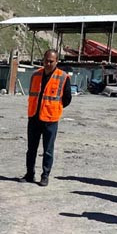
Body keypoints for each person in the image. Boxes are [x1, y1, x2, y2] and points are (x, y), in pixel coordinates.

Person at [19, 49, 71, 187]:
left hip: (50, 120)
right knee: (31, 149)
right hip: (34, 117)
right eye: (46, 60)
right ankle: (29, 174)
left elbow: (67, 99)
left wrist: (54, 108)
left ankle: (45, 176)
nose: (48, 63)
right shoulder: (35, 75)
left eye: (51, 61)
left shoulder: (63, 77)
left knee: (48, 150)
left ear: (57, 61)